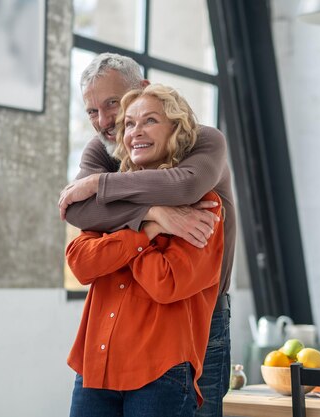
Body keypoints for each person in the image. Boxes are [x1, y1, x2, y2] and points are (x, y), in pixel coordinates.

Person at [58, 53, 235, 416]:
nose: (107, 122)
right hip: (111, 335)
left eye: (113, 104)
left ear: (142, 89)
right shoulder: (105, 147)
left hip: (196, 316)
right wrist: (150, 220)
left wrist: (101, 190)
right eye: (93, 112)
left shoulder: (205, 142)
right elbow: (76, 213)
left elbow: (186, 188)